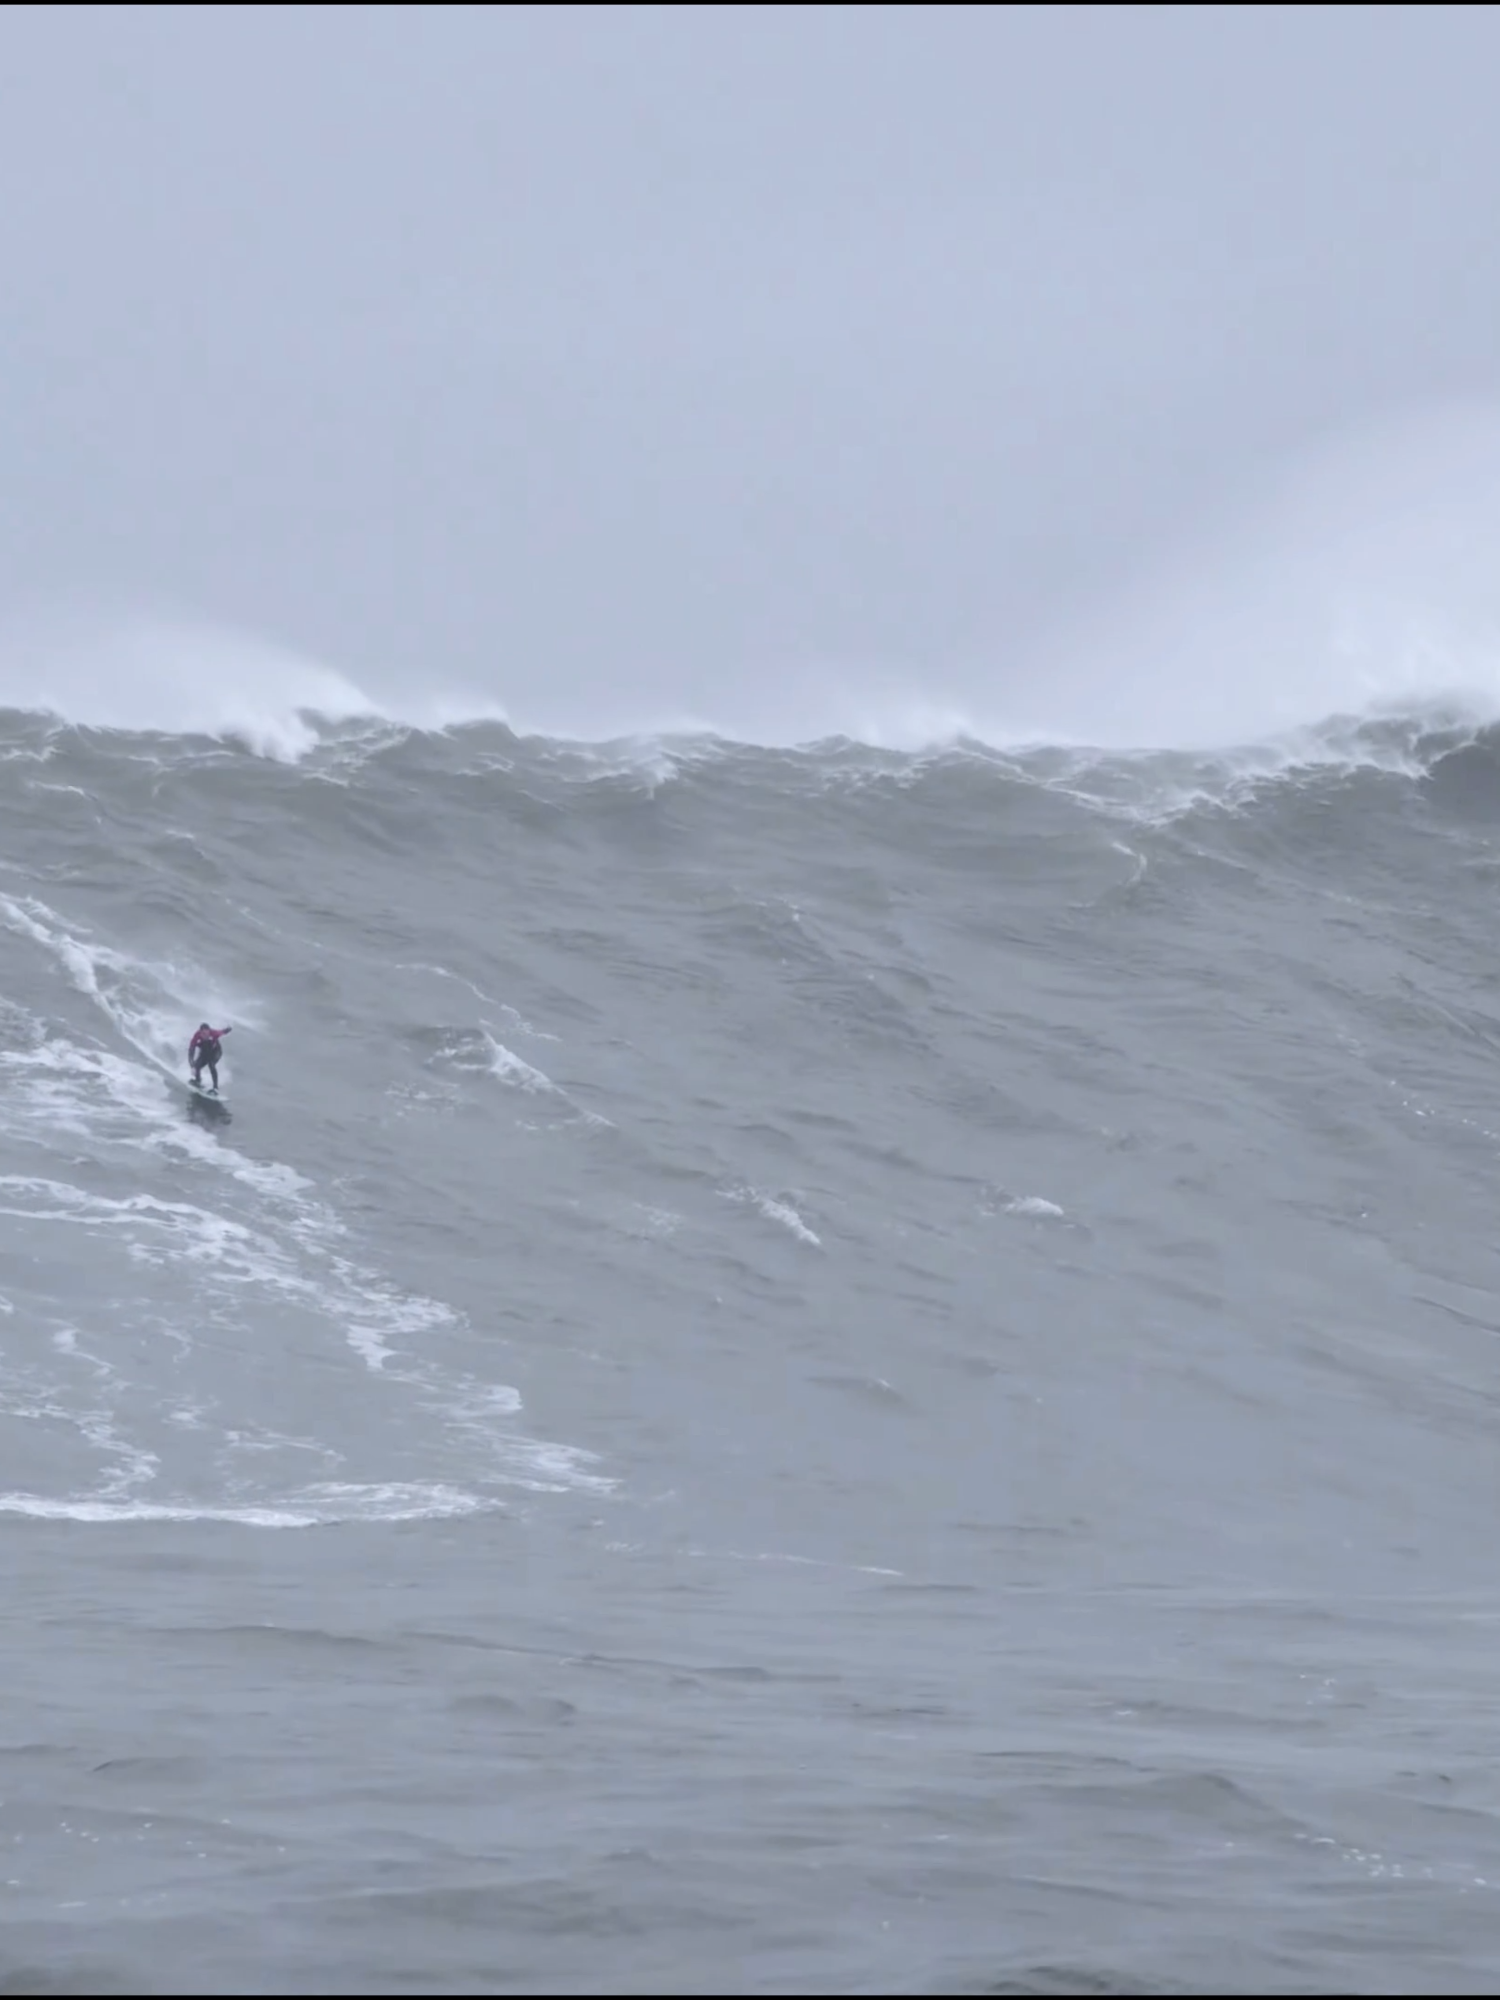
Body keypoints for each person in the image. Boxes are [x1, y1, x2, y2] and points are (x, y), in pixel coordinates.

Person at [188, 1022, 231, 1092]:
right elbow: (191, 1050)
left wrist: (228, 1029)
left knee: (211, 1065)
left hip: (216, 1052)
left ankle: (215, 1088)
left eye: (207, 1033)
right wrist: (192, 1064)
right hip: (204, 1053)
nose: (206, 1036)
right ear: (200, 1032)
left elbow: (223, 1031)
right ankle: (197, 1081)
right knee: (196, 1066)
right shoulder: (196, 1036)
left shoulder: (214, 1033)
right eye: (204, 1034)